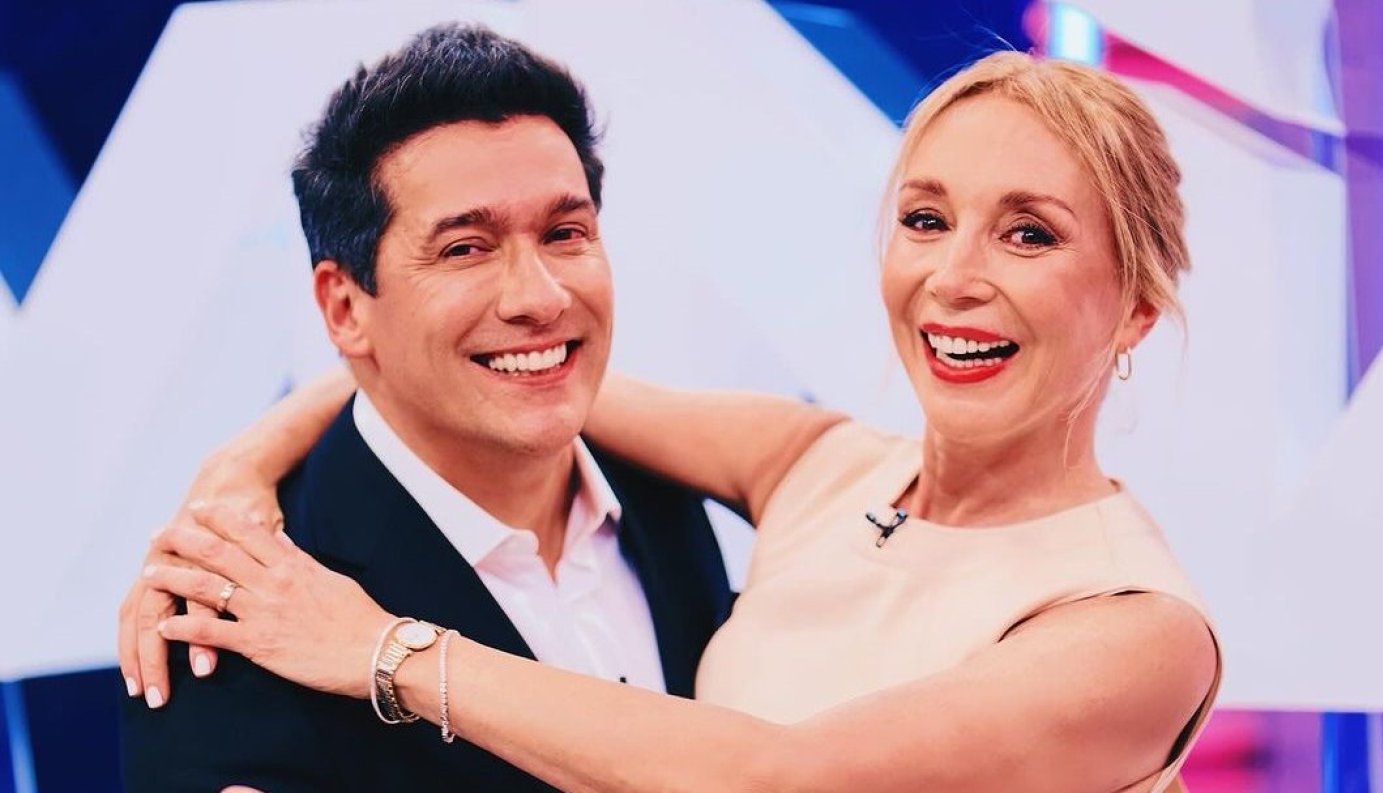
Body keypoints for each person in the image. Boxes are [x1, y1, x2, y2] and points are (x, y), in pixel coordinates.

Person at [130, 49, 1221, 792]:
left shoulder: (1137, 631)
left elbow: (778, 779)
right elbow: (487, 375)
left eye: (1029, 235)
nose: (954, 277)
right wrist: (238, 475)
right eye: (926, 220)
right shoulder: (814, 466)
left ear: (1135, 304)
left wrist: (380, 647)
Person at [116, 23, 817, 792]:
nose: (540, 297)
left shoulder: (662, 482)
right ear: (344, 306)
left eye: (565, 232)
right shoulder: (231, 615)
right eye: (465, 249)